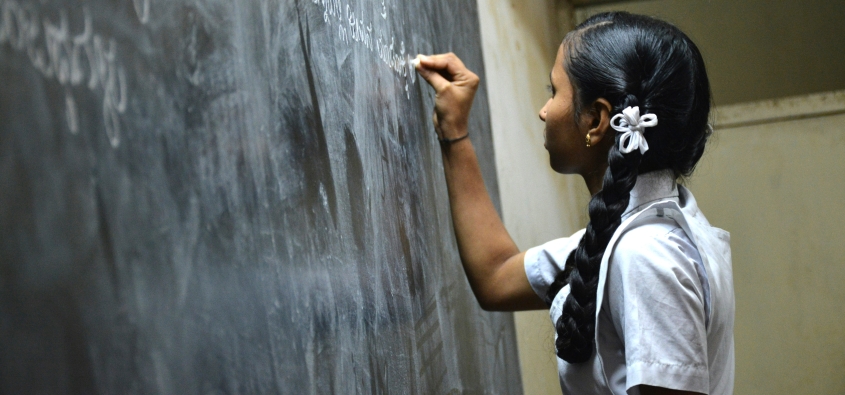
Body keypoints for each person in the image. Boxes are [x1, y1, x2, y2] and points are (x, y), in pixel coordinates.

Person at [413, 11, 735, 395]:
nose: (544, 111)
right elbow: (496, 277)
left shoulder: (646, 254)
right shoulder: (629, 235)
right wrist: (455, 132)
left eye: (553, 92)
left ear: (597, 121)